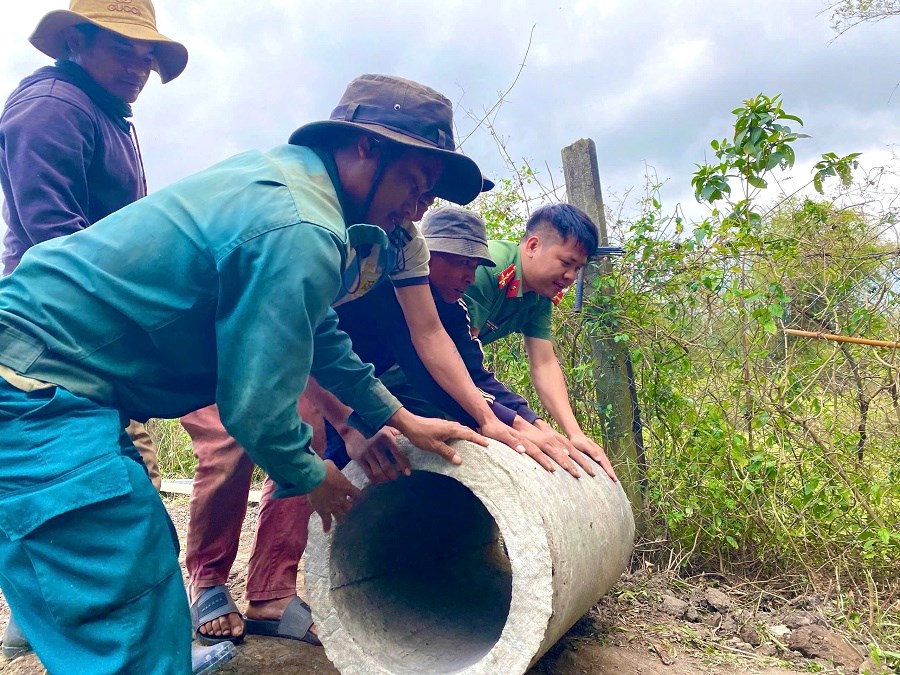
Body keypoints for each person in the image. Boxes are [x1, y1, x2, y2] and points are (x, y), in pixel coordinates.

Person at [0, 73, 490, 674]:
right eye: (415, 184)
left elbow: (318, 333)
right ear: (367, 147)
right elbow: (254, 406)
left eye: (429, 195)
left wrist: (398, 416)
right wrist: (311, 474)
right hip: (34, 383)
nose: (419, 209)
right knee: (118, 577)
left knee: (131, 550)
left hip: (58, 380)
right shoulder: (303, 229)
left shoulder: (300, 188)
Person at [0, 0, 187, 659]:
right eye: (122, 48)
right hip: (57, 338)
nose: (139, 66)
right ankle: (81, 626)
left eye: (147, 55)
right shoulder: (52, 108)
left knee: (117, 477)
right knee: (92, 493)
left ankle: (46, 621)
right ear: (75, 42)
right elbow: (55, 238)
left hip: (93, 331)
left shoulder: (108, 115)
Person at [325, 206, 611, 480]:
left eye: (578, 268)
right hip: (335, 375)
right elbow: (430, 365)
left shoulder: (513, 296)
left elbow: (475, 365)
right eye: (566, 263)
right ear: (424, 254)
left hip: (377, 373)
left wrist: (544, 426)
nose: (469, 277)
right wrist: (350, 428)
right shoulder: (473, 278)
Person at [463, 203, 619, 481]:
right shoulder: (487, 268)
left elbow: (544, 363)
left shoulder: (539, 295)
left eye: (578, 268)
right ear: (533, 246)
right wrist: (525, 422)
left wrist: (574, 433)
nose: (571, 277)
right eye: (566, 263)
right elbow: (459, 361)